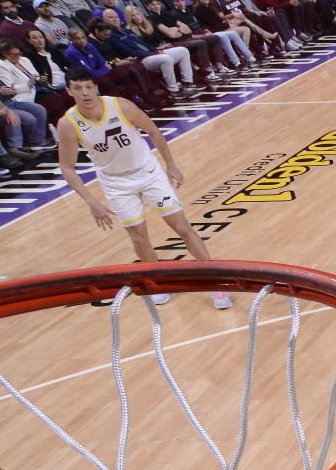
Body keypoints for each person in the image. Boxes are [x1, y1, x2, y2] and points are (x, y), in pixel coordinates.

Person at [54, 68, 231, 309]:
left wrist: (170, 165)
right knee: (138, 236)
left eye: (88, 87)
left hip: (147, 172)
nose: (84, 93)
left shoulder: (121, 106)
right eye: (77, 88)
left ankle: (215, 283)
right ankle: (156, 282)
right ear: (69, 91)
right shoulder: (68, 123)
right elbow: (67, 167)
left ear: (95, 87)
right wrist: (91, 201)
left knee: (182, 228)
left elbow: (153, 131)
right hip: (115, 182)